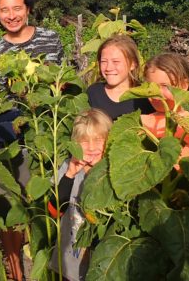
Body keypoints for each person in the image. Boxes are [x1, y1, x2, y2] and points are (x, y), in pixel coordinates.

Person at [0, 0, 64, 281]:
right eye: (5, 10)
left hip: (48, 131)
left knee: (48, 203)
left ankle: (53, 268)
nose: (12, 15)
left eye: (17, 8)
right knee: (10, 204)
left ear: (27, 8)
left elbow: (62, 81)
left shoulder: (50, 39)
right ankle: (18, 275)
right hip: (11, 133)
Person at [48, 109, 112, 281]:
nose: (91, 147)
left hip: (99, 256)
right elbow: (54, 212)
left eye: (98, 140)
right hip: (71, 254)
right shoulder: (69, 168)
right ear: (75, 143)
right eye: (84, 141)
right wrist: (69, 175)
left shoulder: (112, 171)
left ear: (109, 141)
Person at [87, 35, 155, 120]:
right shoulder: (93, 93)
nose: (108, 68)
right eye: (104, 61)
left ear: (132, 64)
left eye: (116, 62)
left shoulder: (144, 96)